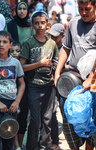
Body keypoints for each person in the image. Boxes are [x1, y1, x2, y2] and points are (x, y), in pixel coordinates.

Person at [54, 0, 96, 149]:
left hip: (93, 86)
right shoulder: (73, 23)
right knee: (70, 124)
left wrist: (91, 78)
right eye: (80, 8)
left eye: (87, 9)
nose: (83, 12)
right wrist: (57, 72)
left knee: (90, 127)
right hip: (72, 81)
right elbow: (66, 48)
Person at [19, 9, 59, 149]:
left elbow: (56, 62)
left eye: (43, 23)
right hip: (34, 87)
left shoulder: (52, 44)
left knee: (47, 120)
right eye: (37, 23)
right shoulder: (28, 43)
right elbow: (21, 67)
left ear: (47, 24)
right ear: (32, 25)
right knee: (35, 120)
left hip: (49, 87)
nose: (40, 25)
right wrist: (39, 64)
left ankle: (43, 147)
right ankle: (31, 147)